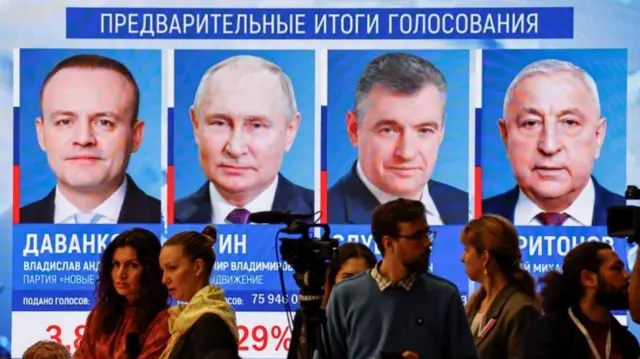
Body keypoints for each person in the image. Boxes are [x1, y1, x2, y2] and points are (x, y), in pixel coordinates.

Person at [324, 198, 478, 359]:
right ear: (389, 243)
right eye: (417, 236)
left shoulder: (445, 296)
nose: (427, 243)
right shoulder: (344, 295)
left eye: (427, 233)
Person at [328, 52, 468, 225]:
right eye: (388, 130)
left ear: (441, 132)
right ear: (354, 129)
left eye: (424, 130)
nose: (407, 153)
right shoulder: (323, 219)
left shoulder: (468, 209)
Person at [20, 53, 161, 224]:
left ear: (136, 136)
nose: (84, 139)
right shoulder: (10, 228)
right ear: (41, 134)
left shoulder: (171, 222)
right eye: (65, 122)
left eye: (104, 122)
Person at [483, 59, 624, 226]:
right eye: (531, 123)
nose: (549, 146)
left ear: (598, 135)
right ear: (505, 135)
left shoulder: (631, 219)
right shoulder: (473, 219)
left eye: (569, 122)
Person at [174, 55, 313, 224]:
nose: (235, 148)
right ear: (196, 125)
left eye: (256, 126)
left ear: (290, 131)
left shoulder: (320, 216)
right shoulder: (166, 217)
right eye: (219, 123)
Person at [522, 241, 640, 358]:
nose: (626, 275)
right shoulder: (546, 333)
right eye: (616, 269)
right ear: (588, 278)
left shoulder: (627, 342)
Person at [74, 228, 171, 358]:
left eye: (132, 265)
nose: (121, 274)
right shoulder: (100, 313)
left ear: (150, 270)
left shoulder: (163, 321)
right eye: (115, 265)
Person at [460, 214, 540, 359]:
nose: (462, 258)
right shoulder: (476, 304)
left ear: (485, 257)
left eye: (466, 250)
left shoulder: (521, 309)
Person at [159, 226, 239, 359]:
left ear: (198, 266)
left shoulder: (210, 322)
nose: (164, 279)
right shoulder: (184, 320)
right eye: (163, 270)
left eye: (172, 268)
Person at [294, 242, 377, 359]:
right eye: (348, 278)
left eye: (362, 278)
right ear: (331, 280)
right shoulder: (314, 323)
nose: (355, 285)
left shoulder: (380, 321)